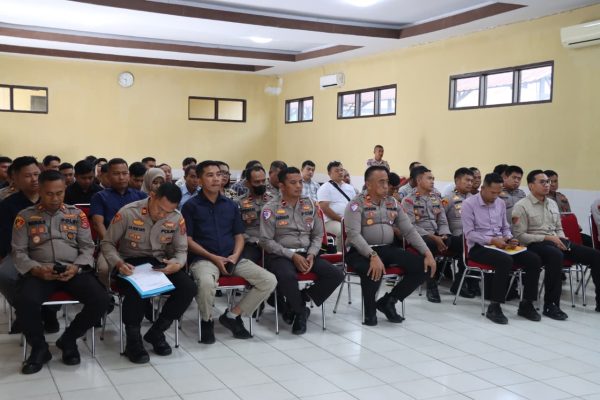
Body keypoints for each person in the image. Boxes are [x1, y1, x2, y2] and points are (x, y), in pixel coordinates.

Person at [13, 170, 109, 374]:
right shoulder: (25, 216)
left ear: (65, 190)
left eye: (60, 193)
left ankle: (69, 339)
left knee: (102, 300)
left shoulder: (76, 215)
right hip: (40, 271)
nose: (55, 198)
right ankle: (39, 348)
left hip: (72, 269)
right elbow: (18, 252)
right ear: (40, 191)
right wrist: (36, 269)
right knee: (24, 301)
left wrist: (77, 267)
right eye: (49, 193)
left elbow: (87, 247)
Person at [101, 183, 196, 363]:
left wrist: (177, 263)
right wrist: (119, 263)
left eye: (168, 212)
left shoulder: (177, 217)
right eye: (160, 209)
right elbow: (107, 243)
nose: (163, 215)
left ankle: (157, 332)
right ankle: (133, 341)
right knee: (136, 291)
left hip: (159, 263)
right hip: (130, 262)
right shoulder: (129, 212)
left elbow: (181, 250)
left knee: (188, 288)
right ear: (152, 195)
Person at [182, 161, 276, 343]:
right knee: (206, 283)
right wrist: (213, 258)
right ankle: (207, 321)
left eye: (218, 174)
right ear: (200, 180)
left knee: (268, 280)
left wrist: (235, 255)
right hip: (204, 259)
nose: (216, 179)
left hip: (232, 258)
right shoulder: (190, 206)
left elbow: (239, 235)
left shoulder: (231, 205)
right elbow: (188, 240)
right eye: (210, 175)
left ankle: (233, 316)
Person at [344, 166, 436, 325]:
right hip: (359, 251)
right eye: (381, 182)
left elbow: (409, 230)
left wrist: (427, 253)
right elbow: (353, 235)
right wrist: (372, 255)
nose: (386, 186)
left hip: (386, 248)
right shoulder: (356, 204)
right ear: (368, 184)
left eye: (386, 182)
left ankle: (389, 301)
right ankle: (370, 311)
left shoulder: (392, 202)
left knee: (423, 267)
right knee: (371, 269)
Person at [260, 167, 344, 335]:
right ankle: (300, 313)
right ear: (282, 186)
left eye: (300, 182)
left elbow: (318, 234)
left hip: (307, 253)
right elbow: (266, 241)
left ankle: (298, 300)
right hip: (281, 255)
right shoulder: (270, 208)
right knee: (287, 276)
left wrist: (312, 254)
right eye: (293, 183)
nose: (299, 186)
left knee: (336, 274)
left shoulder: (310, 204)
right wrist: (292, 256)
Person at [512, 170, 600, 317]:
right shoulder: (522, 206)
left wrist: (561, 239)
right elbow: (520, 236)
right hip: (534, 244)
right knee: (555, 255)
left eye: (548, 182)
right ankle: (551, 305)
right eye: (542, 182)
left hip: (556, 241)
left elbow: (558, 228)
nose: (547, 185)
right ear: (531, 186)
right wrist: (548, 238)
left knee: (596, 256)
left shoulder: (552, 204)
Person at [461, 173, 542, 324]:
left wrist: (510, 238)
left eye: (499, 192)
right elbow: (469, 234)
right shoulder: (469, 204)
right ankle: (494, 306)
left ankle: (526, 304)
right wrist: (492, 240)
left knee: (533, 259)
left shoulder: (500, 203)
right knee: (505, 260)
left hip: (501, 244)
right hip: (479, 247)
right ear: (483, 188)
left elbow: (505, 227)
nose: (495, 196)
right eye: (493, 192)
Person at [0, 157, 57, 334]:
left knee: (58, 270)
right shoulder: (8, 205)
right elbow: (5, 236)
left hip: (51, 252)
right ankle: (25, 311)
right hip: (19, 252)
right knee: (4, 274)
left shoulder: (54, 199)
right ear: (14, 179)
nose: (33, 179)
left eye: (36, 174)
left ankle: (50, 311)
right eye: (27, 176)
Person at [402, 167, 466, 302]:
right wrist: (433, 237)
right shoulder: (409, 200)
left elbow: (442, 220)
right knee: (430, 244)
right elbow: (410, 226)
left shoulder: (436, 198)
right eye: (429, 178)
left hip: (437, 234)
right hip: (419, 236)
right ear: (419, 180)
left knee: (463, 243)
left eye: (433, 179)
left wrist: (444, 234)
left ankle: (459, 282)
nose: (432, 181)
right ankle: (431, 285)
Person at [90, 158, 147, 287]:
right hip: (111, 245)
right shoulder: (99, 197)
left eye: (124, 173)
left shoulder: (141, 197)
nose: (121, 177)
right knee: (104, 269)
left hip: (138, 246)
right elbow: (98, 225)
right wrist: (110, 245)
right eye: (116, 174)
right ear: (108, 176)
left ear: (129, 175)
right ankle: (108, 295)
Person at [235, 165, 272, 265]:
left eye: (263, 181)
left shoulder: (275, 201)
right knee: (245, 263)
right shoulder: (238, 202)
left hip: (273, 242)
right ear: (247, 183)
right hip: (251, 243)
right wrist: (255, 241)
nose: (261, 184)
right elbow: (237, 230)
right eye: (257, 182)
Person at [317, 161, 356, 251]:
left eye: (341, 170)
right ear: (329, 174)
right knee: (342, 231)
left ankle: (354, 254)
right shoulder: (325, 188)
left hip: (348, 220)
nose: (340, 172)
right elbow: (325, 208)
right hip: (330, 221)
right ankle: (341, 255)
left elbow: (354, 205)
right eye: (337, 171)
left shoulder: (350, 188)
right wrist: (342, 220)